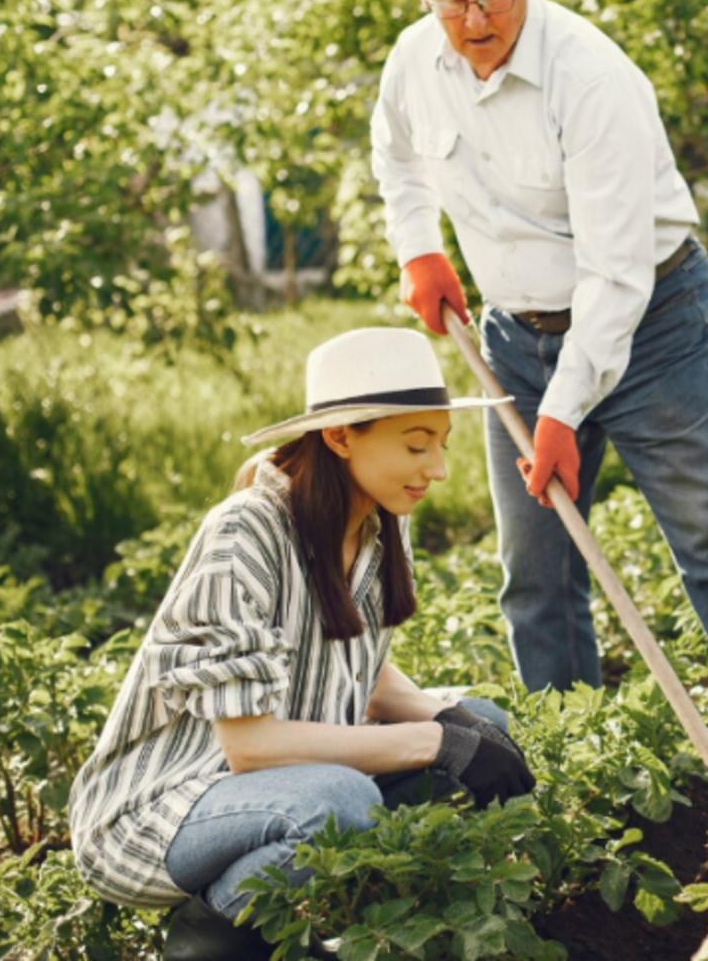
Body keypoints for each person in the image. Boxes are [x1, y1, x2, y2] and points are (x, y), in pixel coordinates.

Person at [369, 0, 708, 784]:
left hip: (651, 323)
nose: (473, 19)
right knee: (536, 570)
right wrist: (419, 249)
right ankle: (577, 768)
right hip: (515, 336)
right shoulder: (414, 62)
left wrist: (562, 415)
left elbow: (618, 275)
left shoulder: (590, 79)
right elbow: (394, 153)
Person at [69, 327, 533, 959]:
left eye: (442, 445)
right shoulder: (247, 532)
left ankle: (352, 922)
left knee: (485, 722)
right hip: (162, 809)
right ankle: (209, 937)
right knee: (341, 800)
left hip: (280, 786)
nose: (440, 469)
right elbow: (250, 747)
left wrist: (451, 722)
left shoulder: (378, 526)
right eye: (417, 444)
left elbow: (358, 667)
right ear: (341, 437)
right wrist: (434, 741)